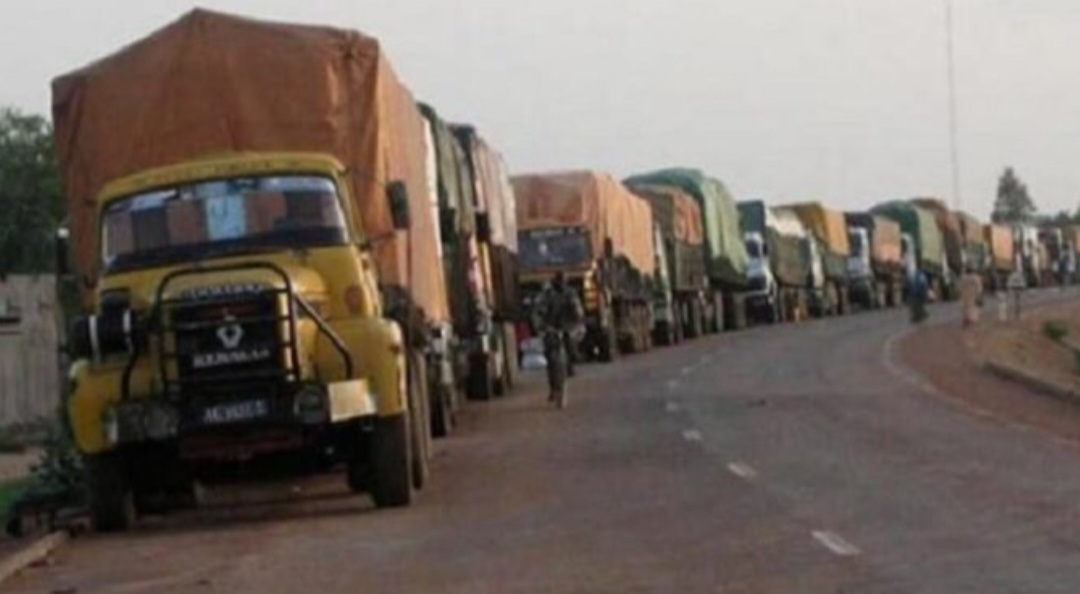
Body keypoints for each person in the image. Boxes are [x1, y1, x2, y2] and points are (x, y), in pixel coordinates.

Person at [533, 272, 585, 404]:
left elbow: (578, 311)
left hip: (566, 327)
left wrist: (576, 323)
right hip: (551, 328)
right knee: (550, 356)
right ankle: (553, 387)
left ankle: (571, 363)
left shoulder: (570, 294)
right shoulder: (547, 295)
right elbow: (538, 313)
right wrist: (541, 326)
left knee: (572, 346)